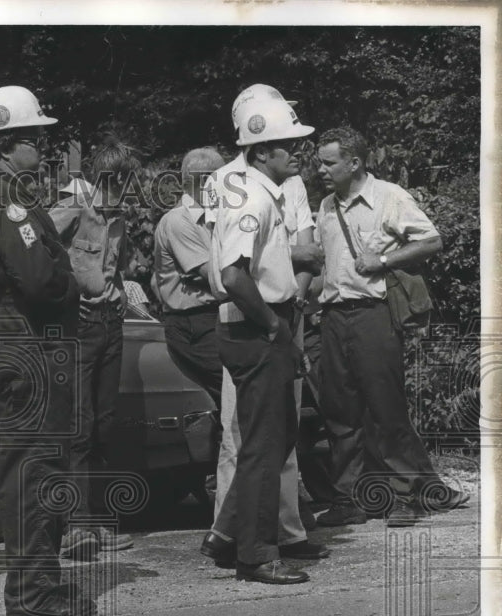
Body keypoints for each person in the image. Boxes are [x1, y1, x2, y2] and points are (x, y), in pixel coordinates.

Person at [0, 84, 96, 616]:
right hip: (20, 337)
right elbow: (40, 281)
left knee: (34, 465)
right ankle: (30, 593)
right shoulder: (7, 199)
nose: (42, 149)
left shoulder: (1, 193)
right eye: (35, 139)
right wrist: (73, 285)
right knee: (33, 469)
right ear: (8, 143)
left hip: (11, 334)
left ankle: (39, 581)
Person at [200, 85, 329, 570]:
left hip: (263, 326)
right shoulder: (252, 200)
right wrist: (274, 325)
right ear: (262, 151)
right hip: (256, 329)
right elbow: (233, 275)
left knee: (270, 439)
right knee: (261, 445)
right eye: (287, 146)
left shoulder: (263, 192)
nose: (295, 154)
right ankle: (256, 553)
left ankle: (235, 537)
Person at [313, 126, 468, 526]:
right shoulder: (327, 206)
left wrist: (383, 261)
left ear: (355, 162)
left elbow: (431, 240)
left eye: (328, 163)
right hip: (333, 316)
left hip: (373, 314)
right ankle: (349, 499)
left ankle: (403, 496)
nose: (320, 170)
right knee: (341, 414)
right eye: (319, 163)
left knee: (386, 409)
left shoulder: (389, 197)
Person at [49, 136, 138, 558]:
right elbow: (41, 252)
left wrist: (117, 292)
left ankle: (98, 520)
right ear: (112, 177)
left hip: (109, 323)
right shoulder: (73, 206)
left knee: (103, 423)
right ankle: (75, 525)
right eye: (124, 179)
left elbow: (114, 267)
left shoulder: (117, 216)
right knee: (78, 425)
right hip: (79, 327)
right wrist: (70, 297)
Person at [151, 147, 226, 411]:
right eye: (223, 177)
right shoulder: (179, 222)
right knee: (234, 389)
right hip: (195, 323)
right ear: (206, 181)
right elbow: (218, 276)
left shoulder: (210, 218)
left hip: (208, 319)